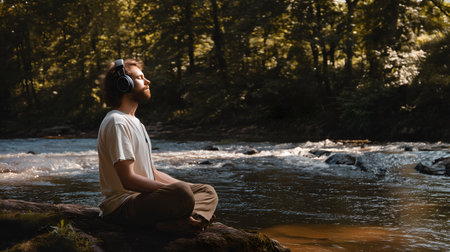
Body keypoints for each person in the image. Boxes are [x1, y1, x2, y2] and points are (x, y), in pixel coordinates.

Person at [97, 59, 218, 236]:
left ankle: (183, 222)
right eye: (141, 78)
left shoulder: (136, 123)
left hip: (144, 200)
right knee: (182, 192)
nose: (148, 82)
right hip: (123, 207)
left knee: (206, 191)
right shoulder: (117, 122)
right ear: (125, 84)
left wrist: (189, 188)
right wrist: (180, 193)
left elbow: (152, 173)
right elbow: (128, 180)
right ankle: (188, 219)